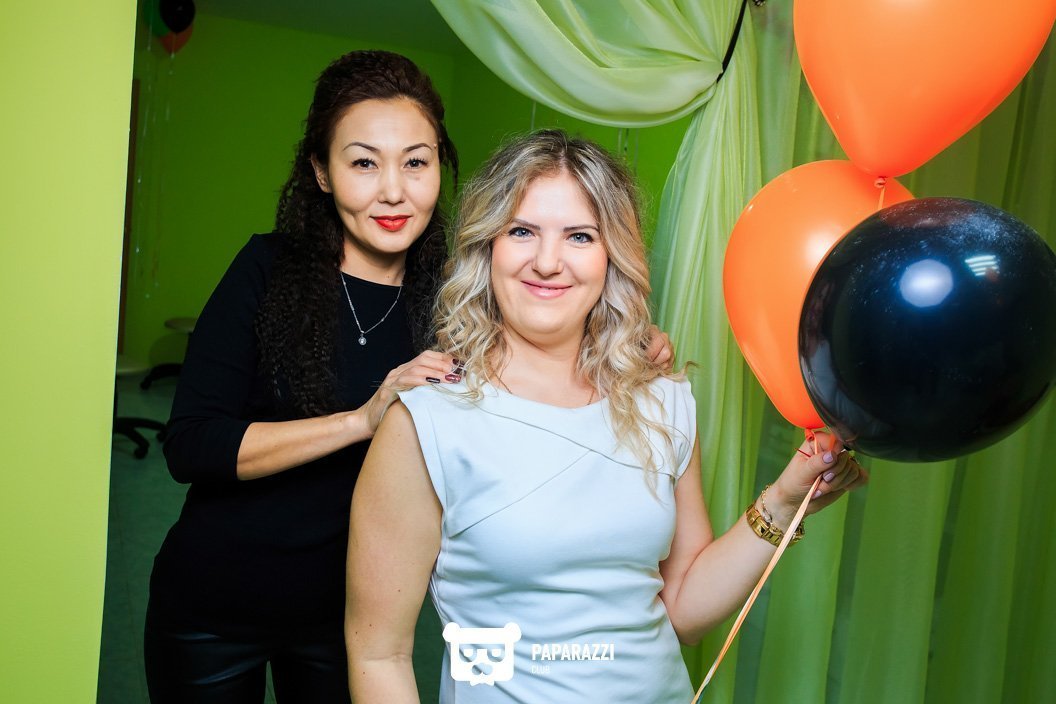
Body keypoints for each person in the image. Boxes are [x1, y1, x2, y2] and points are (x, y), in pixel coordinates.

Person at [345, 130, 868, 703]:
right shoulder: (426, 422)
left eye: (579, 236)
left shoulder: (663, 401)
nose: (548, 262)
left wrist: (784, 502)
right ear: (487, 246)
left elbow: (683, 611)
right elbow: (378, 655)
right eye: (521, 231)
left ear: (611, 256)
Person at [143, 50, 464, 703]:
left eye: (416, 162)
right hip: (212, 612)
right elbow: (192, 444)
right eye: (364, 163)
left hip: (352, 623)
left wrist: (633, 349)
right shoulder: (266, 270)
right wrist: (361, 420)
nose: (394, 190)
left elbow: (544, 357)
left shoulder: (457, 298)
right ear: (321, 172)